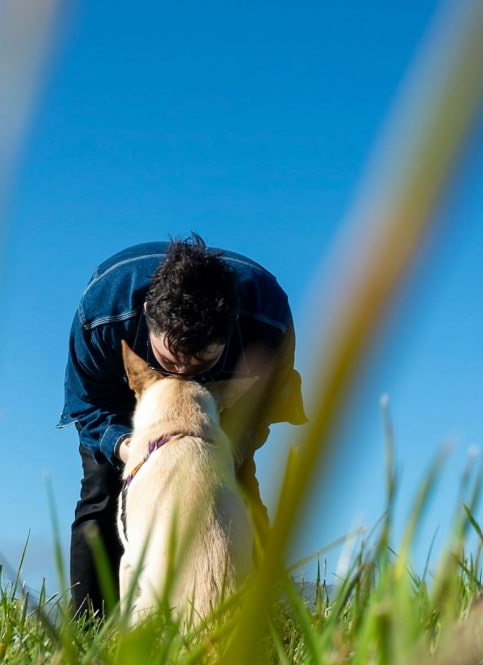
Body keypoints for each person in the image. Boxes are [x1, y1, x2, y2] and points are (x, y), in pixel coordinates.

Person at [58, 233, 306, 618]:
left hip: (220, 412)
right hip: (130, 400)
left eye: (201, 364)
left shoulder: (268, 323)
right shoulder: (101, 313)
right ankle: (89, 635)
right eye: (172, 361)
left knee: (239, 495)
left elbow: (265, 407)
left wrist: (229, 453)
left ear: (231, 325)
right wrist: (134, 452)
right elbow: (87, 406)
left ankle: (263, 628)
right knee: (101, 495)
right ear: (146, 313)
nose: (184, 374)